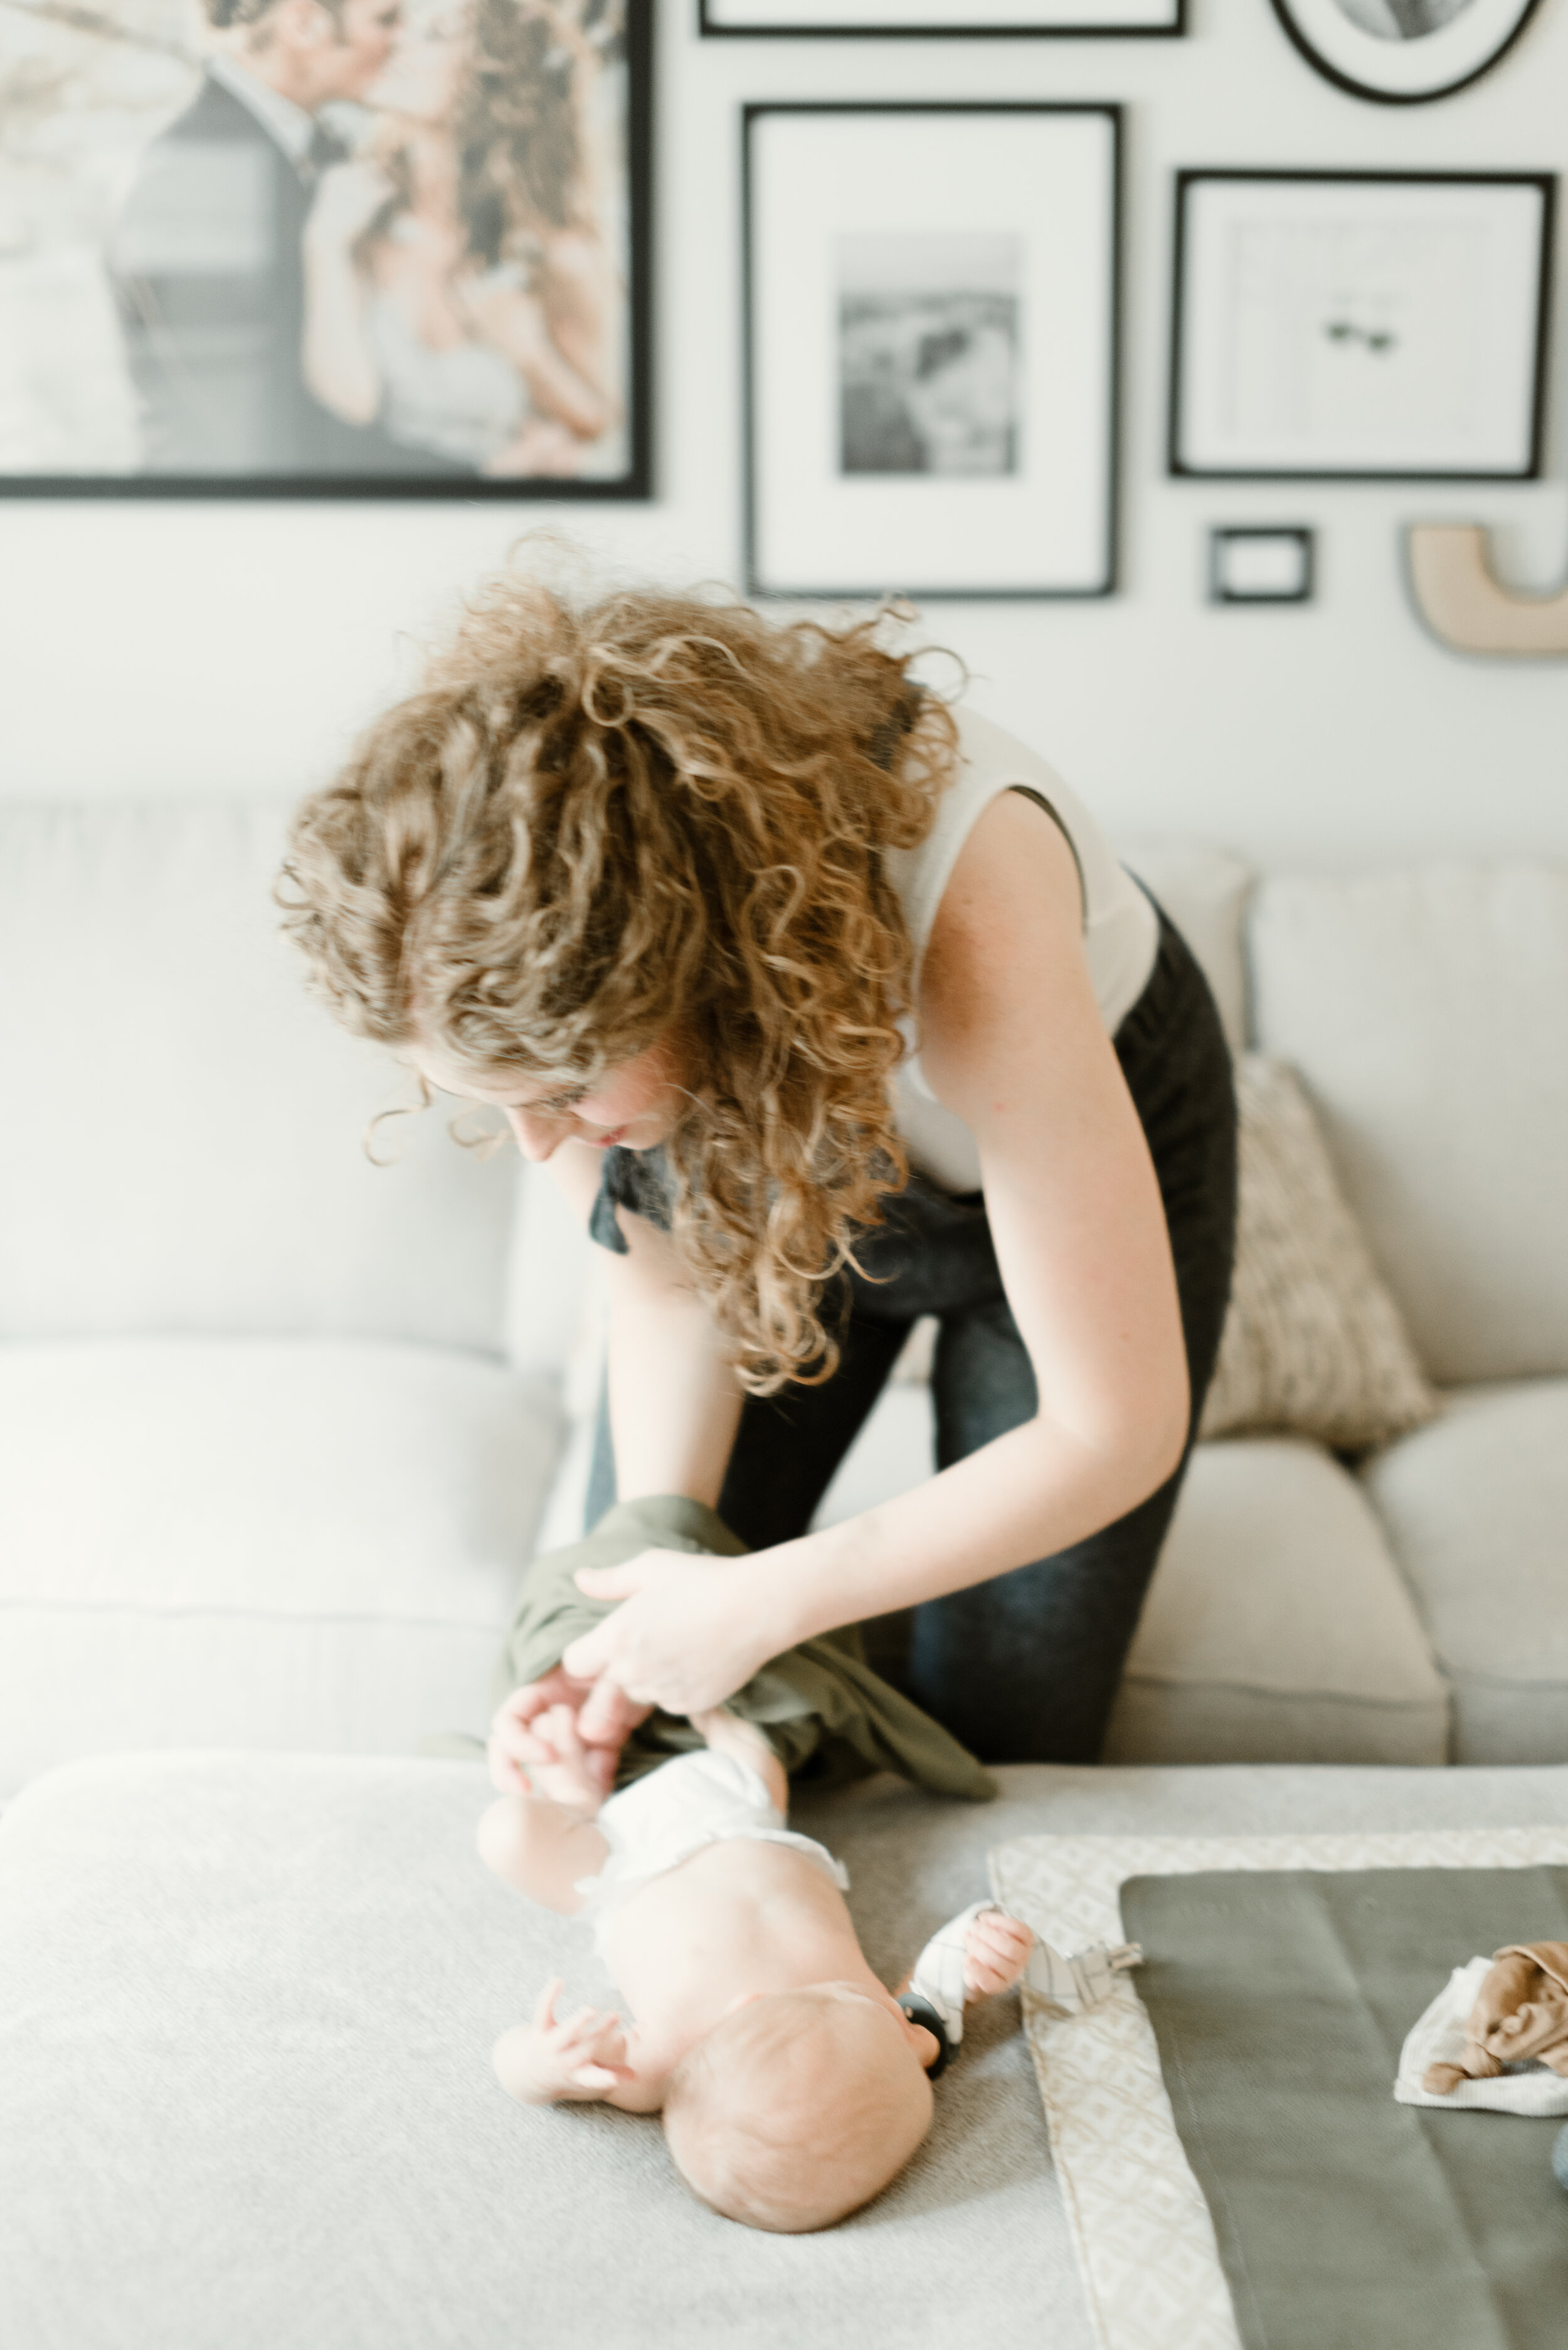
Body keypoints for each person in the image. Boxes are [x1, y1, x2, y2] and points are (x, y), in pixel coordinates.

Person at [280, 576, 1237, 1775]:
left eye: (564, 1096)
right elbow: (670, 1285)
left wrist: (768, 1602)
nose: (542, 1147)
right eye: (491, 1102)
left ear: (685, 973)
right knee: (631, 1674)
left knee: (1007, 1726)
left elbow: (1112, 1430)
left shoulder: (975, 913)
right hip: (789, 1144)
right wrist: (661, 1575)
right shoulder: (552, 975)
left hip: (1085, 1121)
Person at [477, 1698, 1034, 2231]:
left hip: (619, 1866)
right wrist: (980, 1961)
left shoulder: (654, 2069)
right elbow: (934, 1986)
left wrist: (543, 2065)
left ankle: (576, 1799)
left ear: (751, 2005)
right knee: (753, 1749)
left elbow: (512, 2069)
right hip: (744, 1817)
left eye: (899, 2028)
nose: (915, 2034)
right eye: (917, 2053)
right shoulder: (891, 2047)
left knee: (509, 1834)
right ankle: (711, 1709)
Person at [110, 0, 467, 474]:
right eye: (385, 19)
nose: (403, 37)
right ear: (304, 25)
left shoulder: (327, 152)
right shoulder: (194, 172)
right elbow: (252, 428)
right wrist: (471, 480)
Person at [300, 0, 619, 475]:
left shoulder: (553, 253)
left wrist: (529, 357)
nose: (396, 41)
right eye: (402, 24)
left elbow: (604, 424)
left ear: (490, 77)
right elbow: (352, 401)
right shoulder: (355, 213)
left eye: (432, 35)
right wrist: (323, 247)